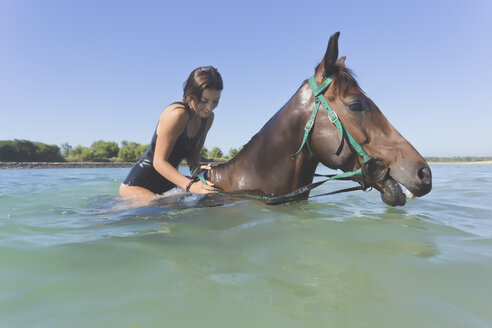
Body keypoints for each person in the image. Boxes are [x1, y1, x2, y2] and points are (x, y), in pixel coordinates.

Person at [119, 66, 222, 198]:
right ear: (191, 94)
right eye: (204, 101)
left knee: (214, 196)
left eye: (215, 101)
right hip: (138, 185)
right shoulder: (177, 114)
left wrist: (197, 169)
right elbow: (159, 162)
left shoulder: (208, 118)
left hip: (168, 183)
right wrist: (191, 185)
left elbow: (193, 156)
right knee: (156, 207)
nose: (209, 107)